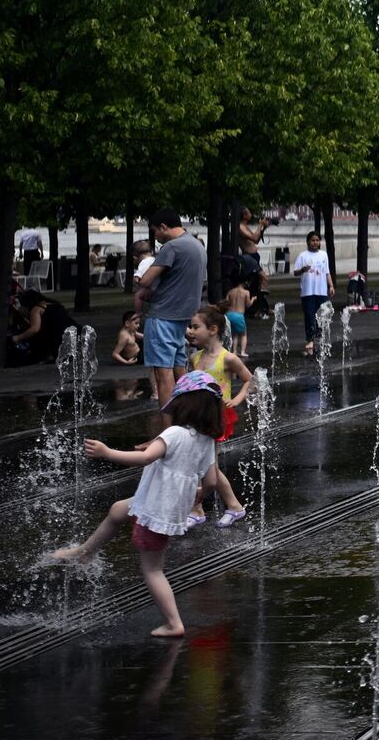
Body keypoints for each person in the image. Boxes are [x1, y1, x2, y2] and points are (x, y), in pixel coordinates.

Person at [52, 372, 224, 637]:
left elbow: (146, 458)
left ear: (183, 404)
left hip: (157, 508)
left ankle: (173, 623)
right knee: (118, 510)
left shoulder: (175, 433)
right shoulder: (206, 441)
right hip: (166, 502)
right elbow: (212, 480)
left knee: (153, 570)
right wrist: (199, 493)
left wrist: (107, 453)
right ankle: (85, 552)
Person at [184, 306, 251, 528]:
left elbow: (249, 379)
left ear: (212, 329)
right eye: (190, 327)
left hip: (217, 417)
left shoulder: (228, 358)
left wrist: (238, 399)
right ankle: (210, 508)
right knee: (201, 463)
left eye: (195, 327)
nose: (190, 331)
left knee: (206, 464)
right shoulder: (195, 358)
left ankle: (223, 507)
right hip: (198, 416)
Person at [136, 209, 206, 409]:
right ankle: (186, 418)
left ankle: (167, 430)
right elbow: (179, 281)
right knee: (179, 371)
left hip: (162, 316)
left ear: (164, 227)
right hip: (182, 317)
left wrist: (143, 279)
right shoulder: (197, 246)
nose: (155, 237)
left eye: (155, 232)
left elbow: (146, 281)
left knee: (163, 375)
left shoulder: (172, 247)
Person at [292, 231, 334, 358]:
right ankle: (310, 340)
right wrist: (302, 270)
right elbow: (295, 272)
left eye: (317, 240)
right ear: (308, 242)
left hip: (321, 291)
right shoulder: (302, 256)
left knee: (321, 316)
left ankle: (319, 338)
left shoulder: (324, 255)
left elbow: (327, 272)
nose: (315, 242)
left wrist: (331, 286)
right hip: (308, 292)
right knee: (309, 316)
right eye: (312, 240)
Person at [7, 288, 73, 366]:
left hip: (60, 342)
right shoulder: (53, 305)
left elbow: (35, 329)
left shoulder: (37, 309)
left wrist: (17, 338)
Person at [220, 275, 252, 357]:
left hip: (229, 314)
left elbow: (226, 303)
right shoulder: (246, 292)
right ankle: (242, 351)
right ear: (244, 283)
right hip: (239, 315)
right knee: (243, 334)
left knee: (235, 334)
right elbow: (248, 305)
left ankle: (234, 351)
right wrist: (253, 299)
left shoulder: (230, 292)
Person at [236, 209, 269, 289]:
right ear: (244, 216)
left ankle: (255, 296)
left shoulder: (245, 227)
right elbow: (254, 238)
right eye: (249, 212)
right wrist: (260, 225)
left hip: (254, 256)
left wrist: (263, 229)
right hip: (249, 257)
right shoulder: (240, 227)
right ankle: (257, 295)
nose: (251, 214)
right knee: (263, 278)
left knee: (256, 280)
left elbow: (256, 241)